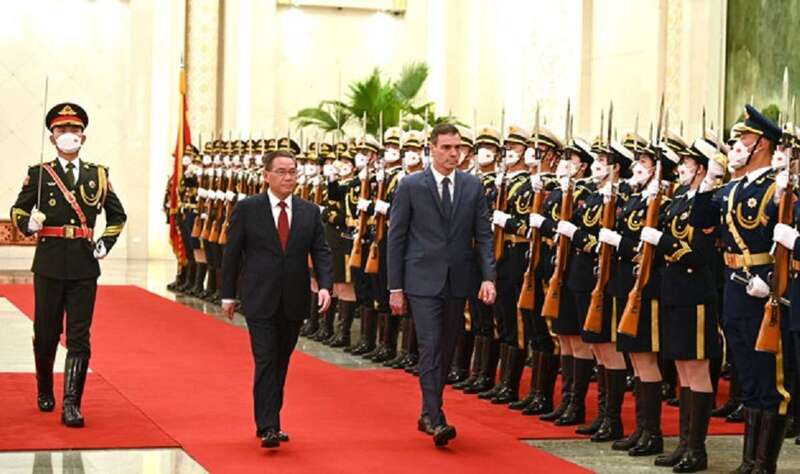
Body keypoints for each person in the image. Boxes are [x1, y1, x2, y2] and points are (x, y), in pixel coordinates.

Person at [10, 102, 127, 427]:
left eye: (74, 130)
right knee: (46, 333)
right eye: (62, 130)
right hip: (48, 264)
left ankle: (72, 403)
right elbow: (19, 209)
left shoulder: (98, 175)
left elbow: (117, 215)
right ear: (52, 137)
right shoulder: (40, 173)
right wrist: (27, 224)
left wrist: (106, 240)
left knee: (79, 336)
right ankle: (44, 388)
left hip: (83, 266)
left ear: (83, 137)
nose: (68, 135)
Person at [691, 104, 794, 473]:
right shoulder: (731, 188)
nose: (735, 147)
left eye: (742, 140)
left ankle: (764, 464)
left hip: (765, 291)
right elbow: (702, 223)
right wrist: (706, 185)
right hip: (733, 288)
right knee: (747, 375)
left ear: (761, 145)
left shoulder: (777, 189)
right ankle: (748, 462)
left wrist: (772, 281)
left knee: (771, 379)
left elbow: (784, 243)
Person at [387, 123, 496, 447]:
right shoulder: (410, 185)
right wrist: (395, 287)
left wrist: (488, 277)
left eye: (457, 148)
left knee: (447, 348)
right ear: (431, 148)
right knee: (431, 345)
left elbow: (484, 235)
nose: (453, 153)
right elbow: (397, 237)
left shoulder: (472, 185)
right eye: (446, 147)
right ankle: (436, 418)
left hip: (458, 280)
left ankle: (426, 411)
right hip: (421, 279)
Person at [221, 149, 333, 449]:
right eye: (282, 171)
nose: (288, 177)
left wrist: (325, 285)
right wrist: (227, 295)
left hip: (294, 299)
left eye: (293, 171)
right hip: (259, 297)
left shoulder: (309, 211)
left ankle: (270, 419)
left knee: (281, 361)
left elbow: (320, 251)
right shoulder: (248, 208)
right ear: (266, 175)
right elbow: (232, 253)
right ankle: (269, 425)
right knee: (266, 360)